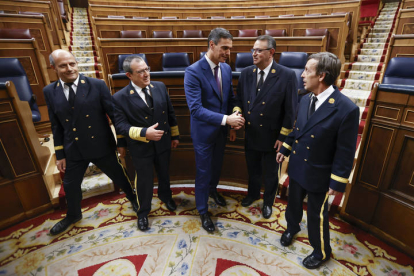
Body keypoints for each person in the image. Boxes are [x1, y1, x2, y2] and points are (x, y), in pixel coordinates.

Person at [276, 52, 359, 269]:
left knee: (316, 215)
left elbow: (345, 150)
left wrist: (337, 182)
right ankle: (292, 228)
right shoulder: (305, 99)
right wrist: (285, 147)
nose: (302, 75)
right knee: (293, 204)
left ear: (321, 76)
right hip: (297, 166)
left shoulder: (347, 109)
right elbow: (298, 130)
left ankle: (321, 251)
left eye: (307, 71)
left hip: (319, 173)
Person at [44, 49, 138, 235]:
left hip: (100, 145)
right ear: (53, 67)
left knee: (120, 176)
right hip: (74, 149)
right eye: (63, 65)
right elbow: (56, 125)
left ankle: (134, 199)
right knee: (70, 186)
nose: (70, 68)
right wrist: (60, 154)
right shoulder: (49, 91)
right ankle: (73, 215)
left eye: (72, 63)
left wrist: (121, 142)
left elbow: (114, 115)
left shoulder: (97, 85)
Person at [184, 28, 245, 232]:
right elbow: (196, 109)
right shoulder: (193, 71)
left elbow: (230, 98)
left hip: (221, 131)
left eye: (230, 48)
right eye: (224, 48)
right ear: (212, 45)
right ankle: (202, 210)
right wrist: (227, 120)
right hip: (203, 133)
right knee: (203, 172)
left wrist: (234, 115)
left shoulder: (226, 69)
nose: (228, 53)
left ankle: (213, 191)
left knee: (217, 167)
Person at [231, 35, 298, 219]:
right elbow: (238, 99)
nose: (254, 53)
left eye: (259, 50)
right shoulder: (246, 73)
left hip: (273, 136)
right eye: (253, 50)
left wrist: (283, 138)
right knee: (252, 168)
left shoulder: (286, 75)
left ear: (271, 53)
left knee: (270, 173)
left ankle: (268, 201)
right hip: (251, 133)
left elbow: (291, 111)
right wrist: (237, 113)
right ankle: (252, 194)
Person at [112, 55, 179, 231]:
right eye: (140, 72)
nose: (146, 74)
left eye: (147, 69)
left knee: (164, 173)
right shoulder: (120, 97)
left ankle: (166, 197)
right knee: (144, 181)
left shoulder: (160, 87)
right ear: (129, 75)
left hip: (163, 143)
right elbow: (121, 125)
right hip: (141, 147)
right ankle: (143, 212)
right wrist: (144, 133)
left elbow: (170, 112)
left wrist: (174, 135)